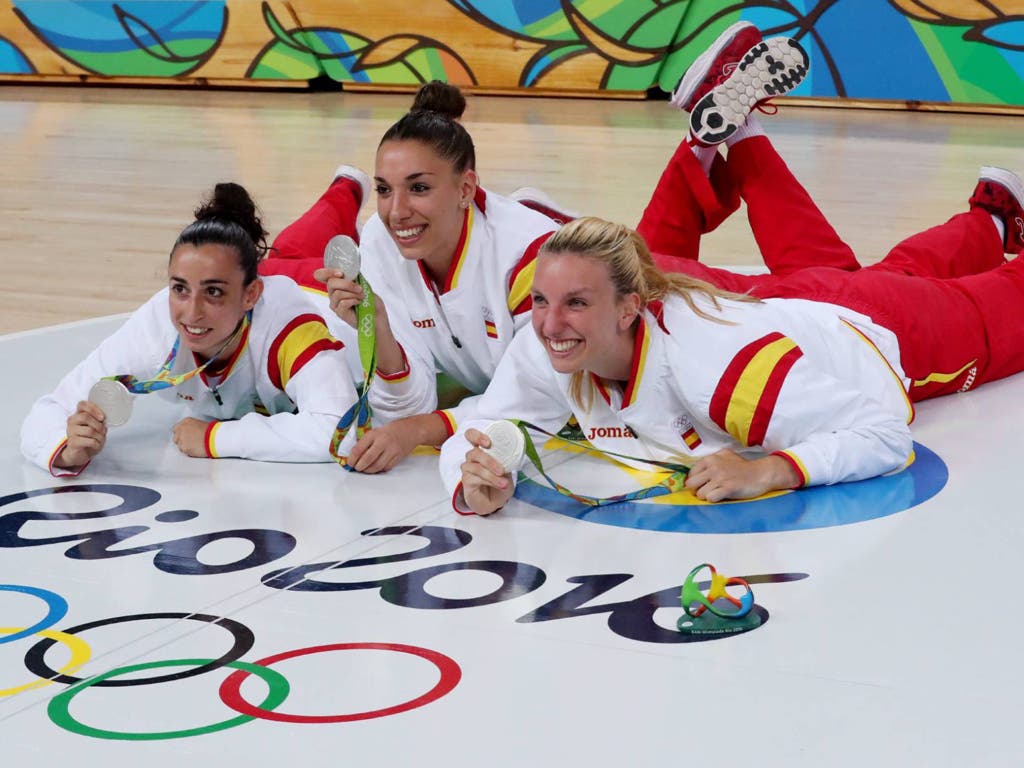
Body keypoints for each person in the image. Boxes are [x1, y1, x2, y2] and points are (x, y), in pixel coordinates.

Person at [444, 197, 1024, 515]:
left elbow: (885, 433)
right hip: (786, 310)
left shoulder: (717, 373)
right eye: (541, 300)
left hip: (887, 333)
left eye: (575, 303)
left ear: (629, 309)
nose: (548, 324)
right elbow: (480, 428)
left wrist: (766, 470)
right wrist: (474, 478)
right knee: (903, 270)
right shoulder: (546, 343)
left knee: (997, 306)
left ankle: (991, 221)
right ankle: (991, 214)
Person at [260, 82, 563, 473]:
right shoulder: (378, 240)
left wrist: (420, 431)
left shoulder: (531, 259)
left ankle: (537, 210)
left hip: (570, 256)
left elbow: (533, 395)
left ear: (466, 188)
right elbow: (409, 404)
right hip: (473, 322)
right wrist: (377, 327)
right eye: (384, 190)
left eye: (418, 188)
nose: (396, 211)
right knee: (280, 266)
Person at [21, 183, 361, 476]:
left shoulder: (291, 326)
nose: (192, 313)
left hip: (313, 285)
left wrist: (213, 438)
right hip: (250, 274)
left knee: (324, 220)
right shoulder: (157, 325)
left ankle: (346, 187)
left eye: (213, 292)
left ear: (251, 295)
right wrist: (66, 449)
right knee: (293, 240)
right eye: (179, 288)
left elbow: (338, 432)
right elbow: (50, 409)